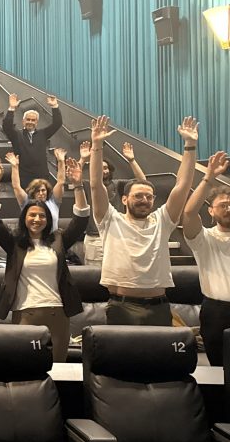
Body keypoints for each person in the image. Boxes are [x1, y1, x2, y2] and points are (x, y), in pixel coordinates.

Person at [89, 115, 197, 325]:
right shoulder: (110, 220)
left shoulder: (162, 221)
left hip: (158, 306)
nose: (144, 200)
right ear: (124, 199)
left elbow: (182, 186)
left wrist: (190, 146)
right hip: (121, 307)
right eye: (138, 196)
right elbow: (95, 185)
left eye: (149, 197)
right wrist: (97, 145)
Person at [0, 156, 90, 362]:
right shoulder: (14, 243)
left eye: (42, 216)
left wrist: (78, 186)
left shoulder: (58, 240)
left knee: (59, 368)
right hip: (25, 313)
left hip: (58, 313)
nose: (37, 219)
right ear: (24, 218)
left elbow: (81, 220)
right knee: (26, 368)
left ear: (48, 220)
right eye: (32, 215)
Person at [181, 150, 230, 366]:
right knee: (218, 370)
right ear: (210, 211)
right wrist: (208, 178)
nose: (228, 208)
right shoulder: (204, 239)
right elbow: (189, 213)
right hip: (216, 312)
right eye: (223, 205)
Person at [78, 140, 147, 266]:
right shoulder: (88, 186)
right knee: (95, 276)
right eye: (99, 168)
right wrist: (83, 159)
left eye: (105, 168)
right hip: (95, 239)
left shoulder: (119, 185)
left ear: (109, 170)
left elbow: (143, 182)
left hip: (118, 236)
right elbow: (73, 178)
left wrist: (132, 160)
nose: (103, 170)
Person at [2, 92, 63, 182]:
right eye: (28, 119)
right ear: (23, 121)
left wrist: (54, 106)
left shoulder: (43, 134)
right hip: (23, 178)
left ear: (36, 123)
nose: (30, 122)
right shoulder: (16, 135)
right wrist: (11, 108)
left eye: (33, 120)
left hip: (42, 177)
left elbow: (57, 123)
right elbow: (6, 126)